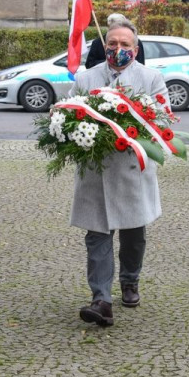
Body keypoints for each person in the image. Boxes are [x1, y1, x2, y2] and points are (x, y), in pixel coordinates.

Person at [71, 18, 167, 328]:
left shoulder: (151, 78)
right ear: (103, 46)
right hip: (95, 172)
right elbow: (70, 114)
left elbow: (163, 121)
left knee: (133, 234)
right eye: (112, 43)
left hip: (132, 171)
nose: (118, 49)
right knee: (96, 235)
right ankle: (101, 299)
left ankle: (129, 280)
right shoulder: (86, 78)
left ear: (135, 50)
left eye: (125, 44)